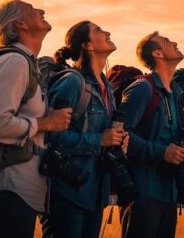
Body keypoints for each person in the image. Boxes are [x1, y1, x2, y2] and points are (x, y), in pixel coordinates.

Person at [0, 0, 72, 237]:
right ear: (20, 24)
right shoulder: (14, 62)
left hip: (18, 194)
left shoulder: (26, 63)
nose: (42, 9)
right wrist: (45, 123)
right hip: (7, 193)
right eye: (31, 8)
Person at [41, 20, 129, 238]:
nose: (107, 31)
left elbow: (104, 135)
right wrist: (100, 140)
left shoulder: (108, 87)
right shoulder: (72, 82)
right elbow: (51, 135)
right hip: (68, 194)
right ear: (87, 45)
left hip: (96, 194)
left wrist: (119, 141)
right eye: (98, 30)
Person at [119, 32, 184, 238]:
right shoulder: (142, 88)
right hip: (143, 191)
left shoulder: (177, 93)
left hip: (170, 192)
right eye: (167, 41)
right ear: (157, 53)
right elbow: (121, 135)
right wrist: (163, 152)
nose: (175, 42)